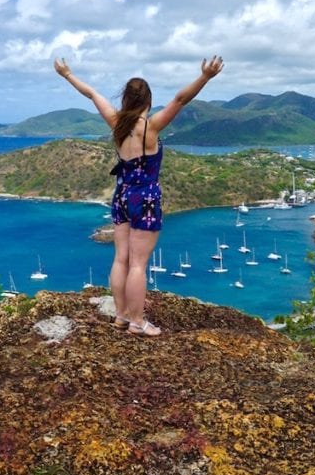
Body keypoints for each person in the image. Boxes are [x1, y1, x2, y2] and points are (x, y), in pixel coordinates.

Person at [53, 55, 224, 336]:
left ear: (125, 100)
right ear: (148, 100)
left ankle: (121, 316)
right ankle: (137, 321)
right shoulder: (151, 127)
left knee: (121, 258)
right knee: (138, 264)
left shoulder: (115, 123)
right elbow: (181, 100)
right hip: (145, 198)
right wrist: (205, 77)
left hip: (121, 195)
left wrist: (67, 74)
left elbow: (92, 93)